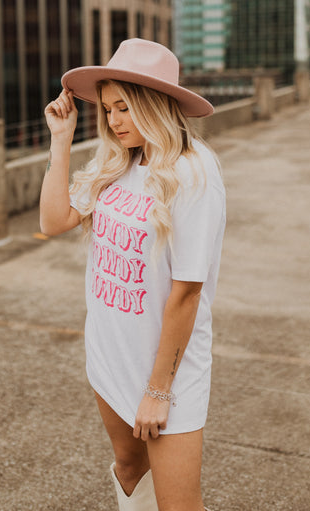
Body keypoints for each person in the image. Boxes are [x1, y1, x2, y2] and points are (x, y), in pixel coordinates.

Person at [40, 39, 226, 511]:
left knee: (179, 504)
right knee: (127, 468)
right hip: (110, 353)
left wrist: (158, 391)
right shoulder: (119, 161)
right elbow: (52, 221)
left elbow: (186, 292)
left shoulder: (193, 170)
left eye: (123, 107)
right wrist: (61, 140)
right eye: (106, 110)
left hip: (167, 372)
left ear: (154, 103)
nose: (114, 121)